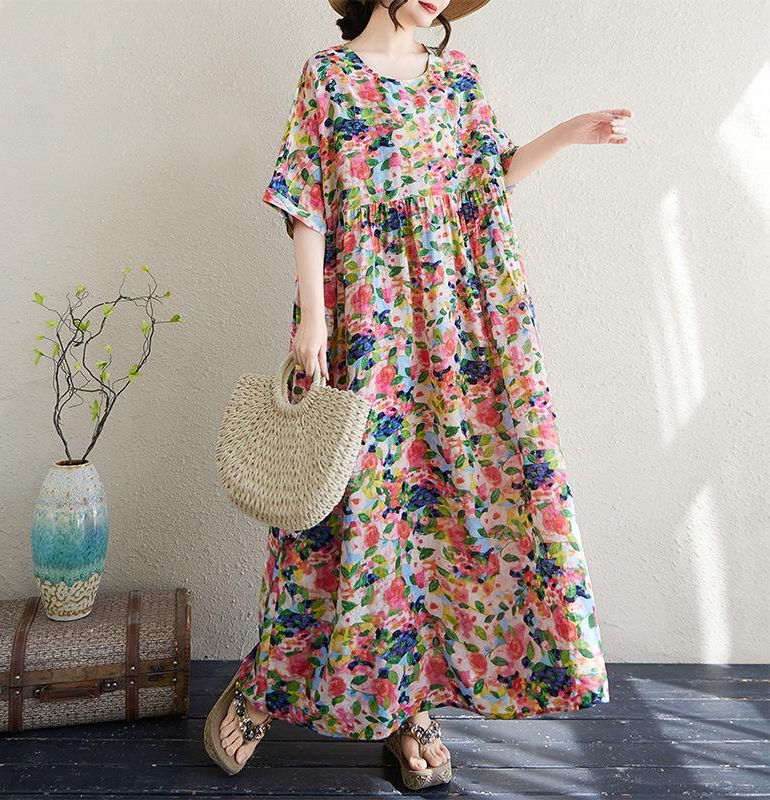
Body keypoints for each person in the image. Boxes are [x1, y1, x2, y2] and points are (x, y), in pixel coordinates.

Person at [206, 0, 630, 789]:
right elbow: (306, 199)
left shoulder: (460, 78)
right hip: (362, 317)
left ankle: (410, 707)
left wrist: (568, 133)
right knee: (343, 509)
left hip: (452, 324)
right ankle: (266, 683)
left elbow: (486, 179)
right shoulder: (328, 76)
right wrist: (314, 320)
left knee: (437, 517)